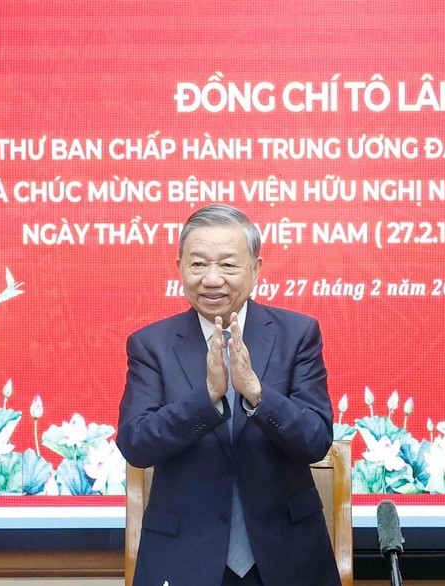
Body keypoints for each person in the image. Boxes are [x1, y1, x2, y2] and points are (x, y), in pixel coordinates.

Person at [117, 204, 340, 586]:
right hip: (185, 558)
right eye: (198, 264)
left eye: (228, 265)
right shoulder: (151, 344)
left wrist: (257, 393)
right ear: (180, 268)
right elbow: (136, 444)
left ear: (255, 268)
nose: (212, 279)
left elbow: (316, 441)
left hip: (287, 558)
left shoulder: (297, 334)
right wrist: (206, 399)